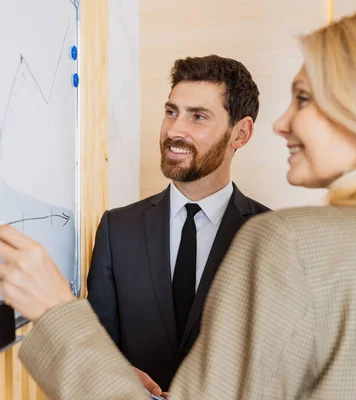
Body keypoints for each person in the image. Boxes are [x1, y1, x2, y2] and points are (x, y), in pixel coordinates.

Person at [0, 6, 356, 399]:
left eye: (304, 98)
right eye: (171, 111)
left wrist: (55, 311)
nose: (284, 123)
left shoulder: (285, 240)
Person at [86, 55, 269, 393]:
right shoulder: (117, 229)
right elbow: (99, 350)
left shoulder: (273, 236)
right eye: (171, 112)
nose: (174, 130)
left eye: (198, 116)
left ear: (240, 133)